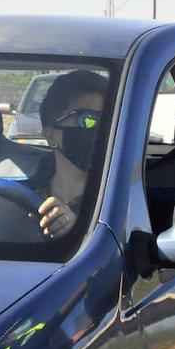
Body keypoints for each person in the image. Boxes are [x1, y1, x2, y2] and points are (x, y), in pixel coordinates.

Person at [29, 69, 109, 239]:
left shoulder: (122, 196)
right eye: (88, 119)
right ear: (51, 135)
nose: (99, 129)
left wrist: (78, 233)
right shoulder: (24, 196)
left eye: (107, 119)